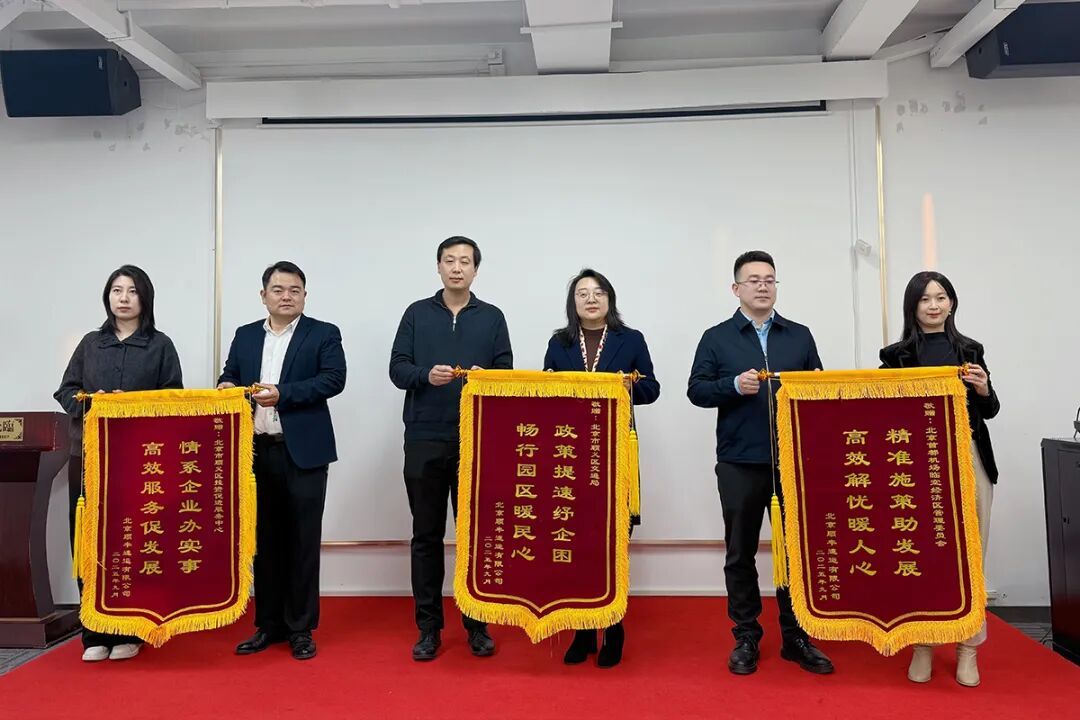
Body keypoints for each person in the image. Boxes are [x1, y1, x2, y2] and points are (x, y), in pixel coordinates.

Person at [687, 250, 834, 676]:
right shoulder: (717, 337)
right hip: (739, 459)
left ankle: (796, 636)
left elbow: (818, 390)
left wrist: (815, 389)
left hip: (793, 461)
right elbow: (696, 390)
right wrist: (733, 385)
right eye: (753, 280)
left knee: (796, 551)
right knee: (741, 552)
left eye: (770, 279)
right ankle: (747, 636)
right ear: (736, 288)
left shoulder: (799, 336)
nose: (763, 286)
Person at [390, 236, 513, 661]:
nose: (457, 268)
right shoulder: (416, 313)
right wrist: (426, 375)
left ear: (476, 270)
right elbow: (397, 369)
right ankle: (428, 629)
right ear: (438, 267)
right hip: (423, 436)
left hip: (476, 439)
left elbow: (506, 373)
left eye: (465, 261)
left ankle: (477, 624)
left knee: (475, 536)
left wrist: (486, 377)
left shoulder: (492, 317)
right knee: (425, 535)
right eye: (449, 260)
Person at [55, 264, 183, 662]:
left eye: (132, 291)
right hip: (90, 457)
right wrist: (92, 402)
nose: (123, 298)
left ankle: (131, 630)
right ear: (107, 297)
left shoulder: (160, 345)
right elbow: (66, 391)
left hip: (139, 462)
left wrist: (134, 405)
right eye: (116, 290)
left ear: (145, 298)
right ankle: (94, 632)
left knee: (133, 541)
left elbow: (173, 399)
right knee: (89, 540)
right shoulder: (91, 344)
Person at [219, 261, 346, 661]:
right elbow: (230, 374)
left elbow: (333, 379)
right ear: (264, 296)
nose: (286, 296)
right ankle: (268, 624)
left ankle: (301, 628)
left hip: (304, 451)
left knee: (303, 541)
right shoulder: (245, 335)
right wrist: (227, 385)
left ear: (304, 296)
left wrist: (283, 394)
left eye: (294, 290)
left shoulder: (323, 333)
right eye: (278, 290)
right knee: (265, 542)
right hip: (257, 452)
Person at [880, 270, 999, 688]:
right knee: (924, 557)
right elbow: (881, 415)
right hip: (918, 465)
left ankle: (969, 648)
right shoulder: (895, 356)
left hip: (969, 457)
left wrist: (983, 389)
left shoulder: (970, 350)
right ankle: (923, 645)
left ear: (951, 303)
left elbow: (990, 411)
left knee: (972, 557)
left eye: (941, 297)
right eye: (925, 299)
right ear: (912, 306)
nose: (934, 305)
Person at [543, 268, 659, 668]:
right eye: (582, 293)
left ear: (609, 299)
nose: (591, 299)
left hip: (616, 452)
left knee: (613, 545)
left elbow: (652, 389)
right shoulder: (559, 342)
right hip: (572, 454)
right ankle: (582, 631)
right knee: (576, 545)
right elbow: (545, 393)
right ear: (573, 303)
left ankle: (614, 629)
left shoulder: (631, 339)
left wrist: (629, 386)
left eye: (598, 293)